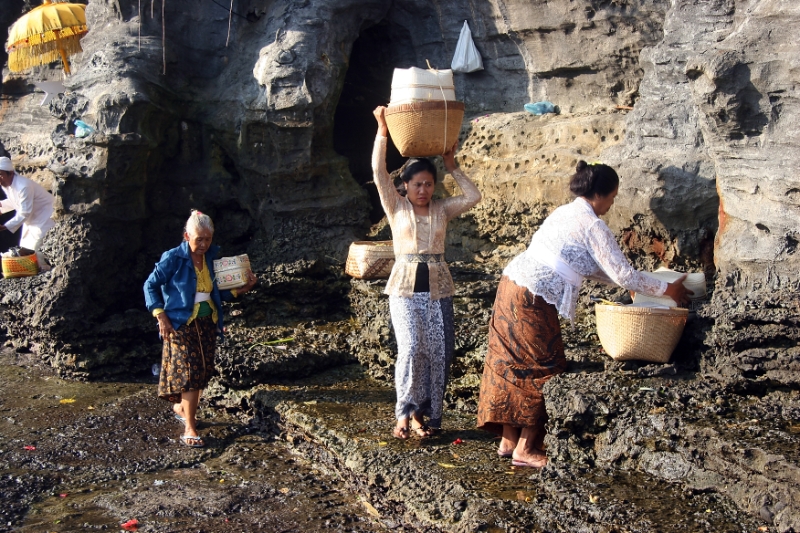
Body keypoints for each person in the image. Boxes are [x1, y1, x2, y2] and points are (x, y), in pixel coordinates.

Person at [476, 161, 688, 467]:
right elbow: (622, 274)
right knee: (544, 366)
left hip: (511, 284)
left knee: (511, 362)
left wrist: (630, 281)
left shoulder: (565, 212)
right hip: (533, 295)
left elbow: (589, 266)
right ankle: (526, 448)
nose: (611, 205)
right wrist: (667, 290)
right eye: (613, 198)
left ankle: (508, 440)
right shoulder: (592, 224)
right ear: (601, 194)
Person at [372, 106, 482, 439]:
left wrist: (452, 166)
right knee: (410, 348)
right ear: (403, 185)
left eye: (429, 184)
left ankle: (424, 415)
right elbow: (378, 170)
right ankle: (403, 413)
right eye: (417, 184)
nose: (424, 190)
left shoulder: (442, 209)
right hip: (403, 289)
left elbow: (473, 196)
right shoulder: (396, 206)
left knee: (437, 352)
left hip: (437, 290)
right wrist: (382, 129)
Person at [143, 210, 257, 448]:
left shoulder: (211, 257)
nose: (204, 244)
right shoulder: (173, 258)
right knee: (191, 374)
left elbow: (214, 293)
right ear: (187, 236)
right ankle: (190, 428)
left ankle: (181, 408)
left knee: (203, 370)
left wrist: (241, 289)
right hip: (181, 323)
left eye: (208, 239)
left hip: (207, 322)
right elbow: (150, 285)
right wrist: (160, 315)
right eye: (199, 239)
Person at [0, 156, 55, 269]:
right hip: (32, 222)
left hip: (44, 219)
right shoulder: (8, 185)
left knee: (37, 253)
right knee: (24, 254)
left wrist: (5, 227)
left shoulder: (23, 185)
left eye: (0, 175)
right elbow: (15, 201)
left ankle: (48, 277)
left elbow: (25, 212)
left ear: (10, 173)